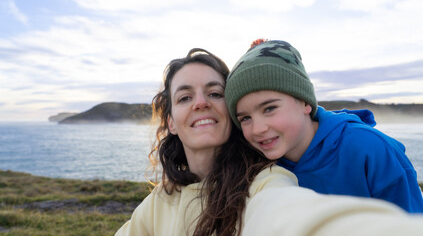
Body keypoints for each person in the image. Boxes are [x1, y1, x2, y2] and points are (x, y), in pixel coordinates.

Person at [116, 46, 423, 236]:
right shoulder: (160, 201)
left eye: (214, 93)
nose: (200, 103)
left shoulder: (264, 180)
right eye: (185, 97)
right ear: (170, 121)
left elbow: (286, 214)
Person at [224, 39, 423, 213]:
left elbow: (410, 221)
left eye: (269, 109)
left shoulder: (371, 150)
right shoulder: (256, 164)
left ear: (305, 103)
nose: (258, 129)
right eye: (245, 118)